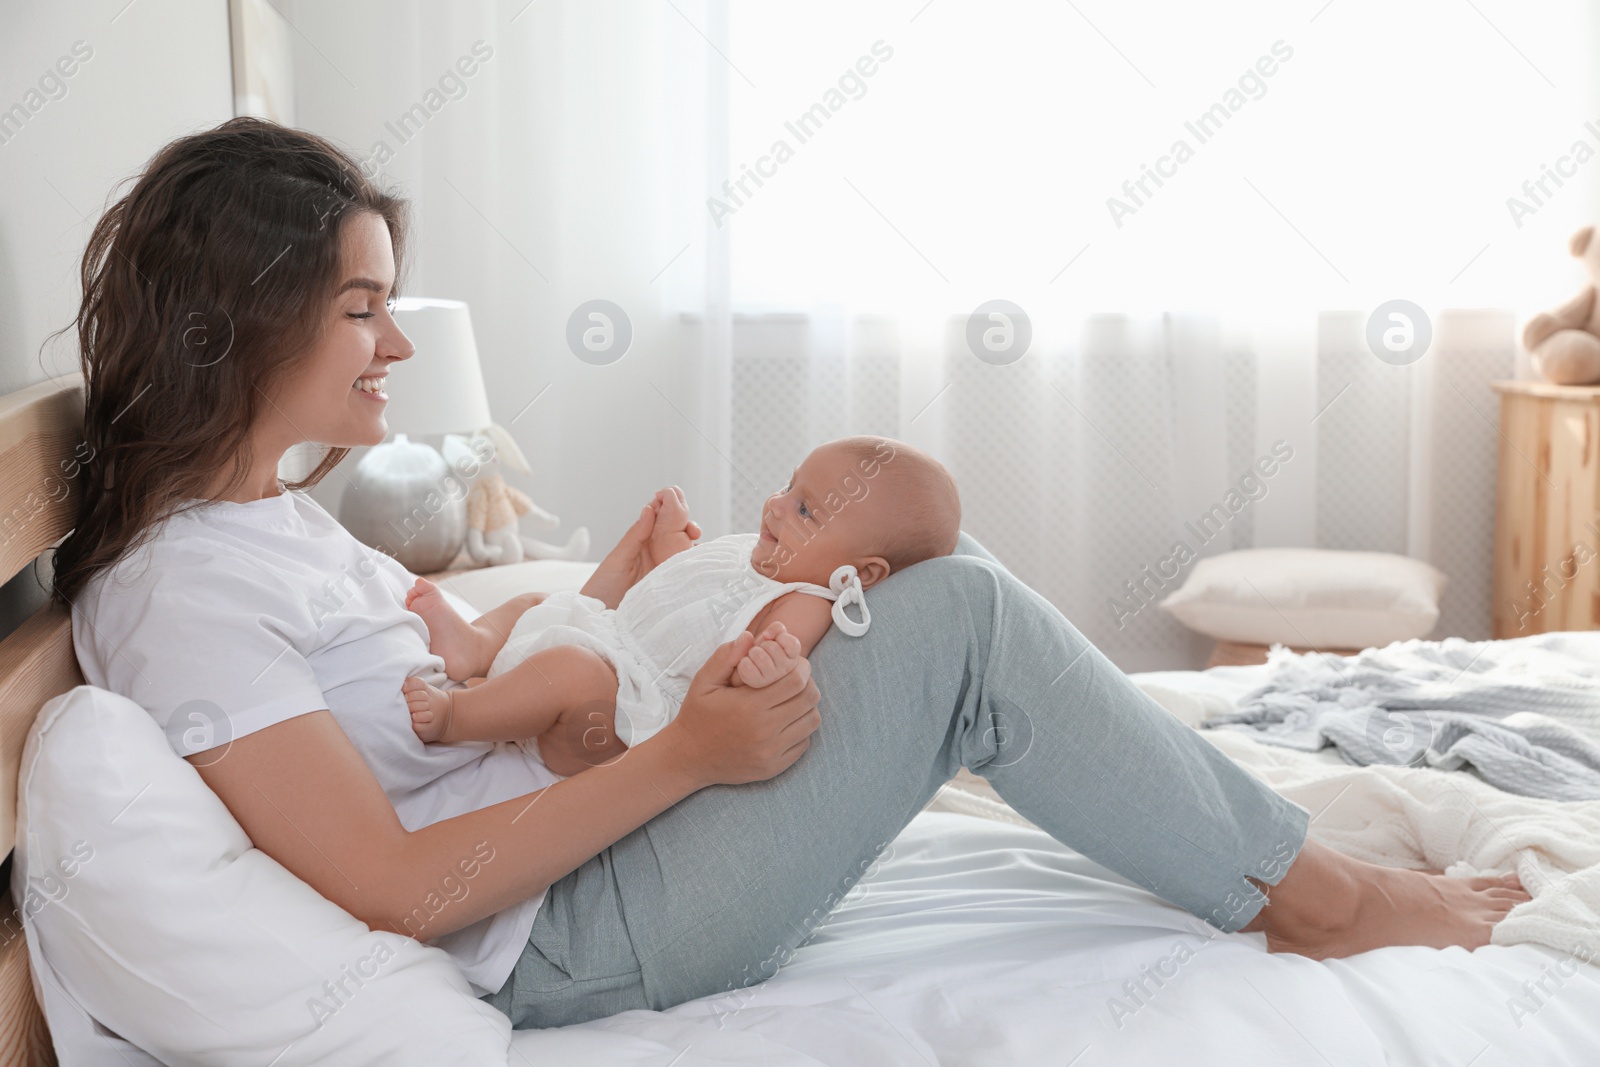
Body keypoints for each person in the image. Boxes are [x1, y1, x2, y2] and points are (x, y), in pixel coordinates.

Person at [53, 117, 1529, 1032]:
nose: (398, 344)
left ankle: (1280, 865)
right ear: (240, 324)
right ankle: (1319, 898)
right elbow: (391, 885)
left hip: (597, 835)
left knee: (919, 582)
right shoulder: (185, 590)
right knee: (955, 614)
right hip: (578, 924)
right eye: (362, 307)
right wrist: (691, 750)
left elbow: (444, 663)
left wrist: (606, 597)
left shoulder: (280, 528)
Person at [401, 436, 961, 778]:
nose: (774, 507)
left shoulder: (807, 601)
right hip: (616, 643)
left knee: (567, 671)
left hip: (629, 718)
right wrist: (671, 545)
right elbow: (683, 596)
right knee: (538, 601)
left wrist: (771, 668)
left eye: (806, 511)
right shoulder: (768, 555)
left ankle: (457, 717)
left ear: (861, 574)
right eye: (787, 488)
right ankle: (473, 648)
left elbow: (760, 664)